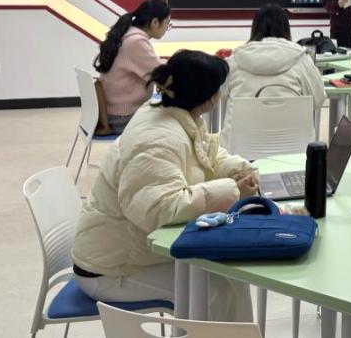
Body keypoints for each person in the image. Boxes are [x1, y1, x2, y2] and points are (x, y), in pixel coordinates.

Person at [72, 51, 257, 322]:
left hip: (127, 252)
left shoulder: (172, 114)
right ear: (210, 97)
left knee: (231, 276)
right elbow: (160, 209)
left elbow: (205, 154)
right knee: (216, 291)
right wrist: (233, 190)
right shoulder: (157, 139)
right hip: (110, 269)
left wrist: (238, 170)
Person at [219, 4, 327, 147]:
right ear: (286, 28)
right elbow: (319, 99)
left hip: (239, 151)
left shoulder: (235, 59)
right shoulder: (302, 59)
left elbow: (218, 93)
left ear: (254, 28)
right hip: (294, 151)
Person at [94, 0, 171, 134]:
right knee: (174, 121)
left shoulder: (127, 34)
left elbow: (152, 64)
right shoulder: (136, 42)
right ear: (155, 22)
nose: (167, 28)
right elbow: (160, 72)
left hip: (114, 112)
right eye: (167, 24)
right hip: (122, 118)